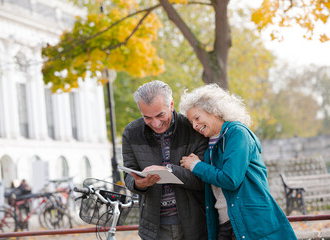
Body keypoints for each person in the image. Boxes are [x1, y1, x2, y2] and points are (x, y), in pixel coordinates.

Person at [178, 84, 297, 240]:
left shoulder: (237, 133)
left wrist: (196, 165)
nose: (194, 125)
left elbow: (230, 179)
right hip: (225, 222)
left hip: (250, 222)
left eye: (197, 118)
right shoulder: (210, 142)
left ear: (214, 110)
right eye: (191, 121)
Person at [122, 80, 208, 240]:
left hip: (195, 225)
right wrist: (137, 184)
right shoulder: (131, 133)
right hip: (153, 228)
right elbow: (128, 177)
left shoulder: (193, 129)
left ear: (171, 104)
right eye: (147, 117)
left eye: (160, 115)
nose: (155, 123)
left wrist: (170, 171)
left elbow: (204, 180)